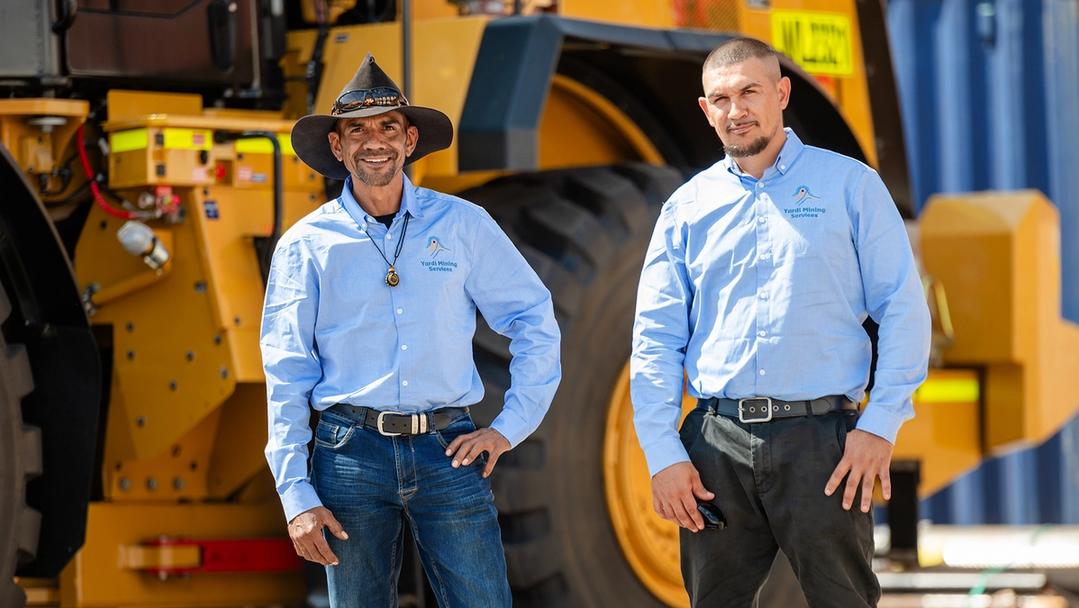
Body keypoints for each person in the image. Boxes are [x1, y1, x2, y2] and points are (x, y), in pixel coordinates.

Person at [630, 38, 930, 607]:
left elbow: (903, 310)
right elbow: (655, 340)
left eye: (750, 91)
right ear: (705, 109)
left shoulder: (851, 185)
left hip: (825, 447)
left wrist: (880, 425)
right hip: (715, 445)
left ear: (782, 94)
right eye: (721, 98)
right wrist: (663, 453)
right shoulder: (686, 208)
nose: (736, 110)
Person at [261, 54, 561, 607]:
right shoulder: (306, 245)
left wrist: (509, 428)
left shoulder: (464, 225)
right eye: (357, 130)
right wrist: (296, 495)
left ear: (410, 138)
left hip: (450, 450)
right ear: (337, 146)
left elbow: (533, 320)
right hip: (347, 453)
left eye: (387, 127)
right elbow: (285, 374)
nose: (374, 141)